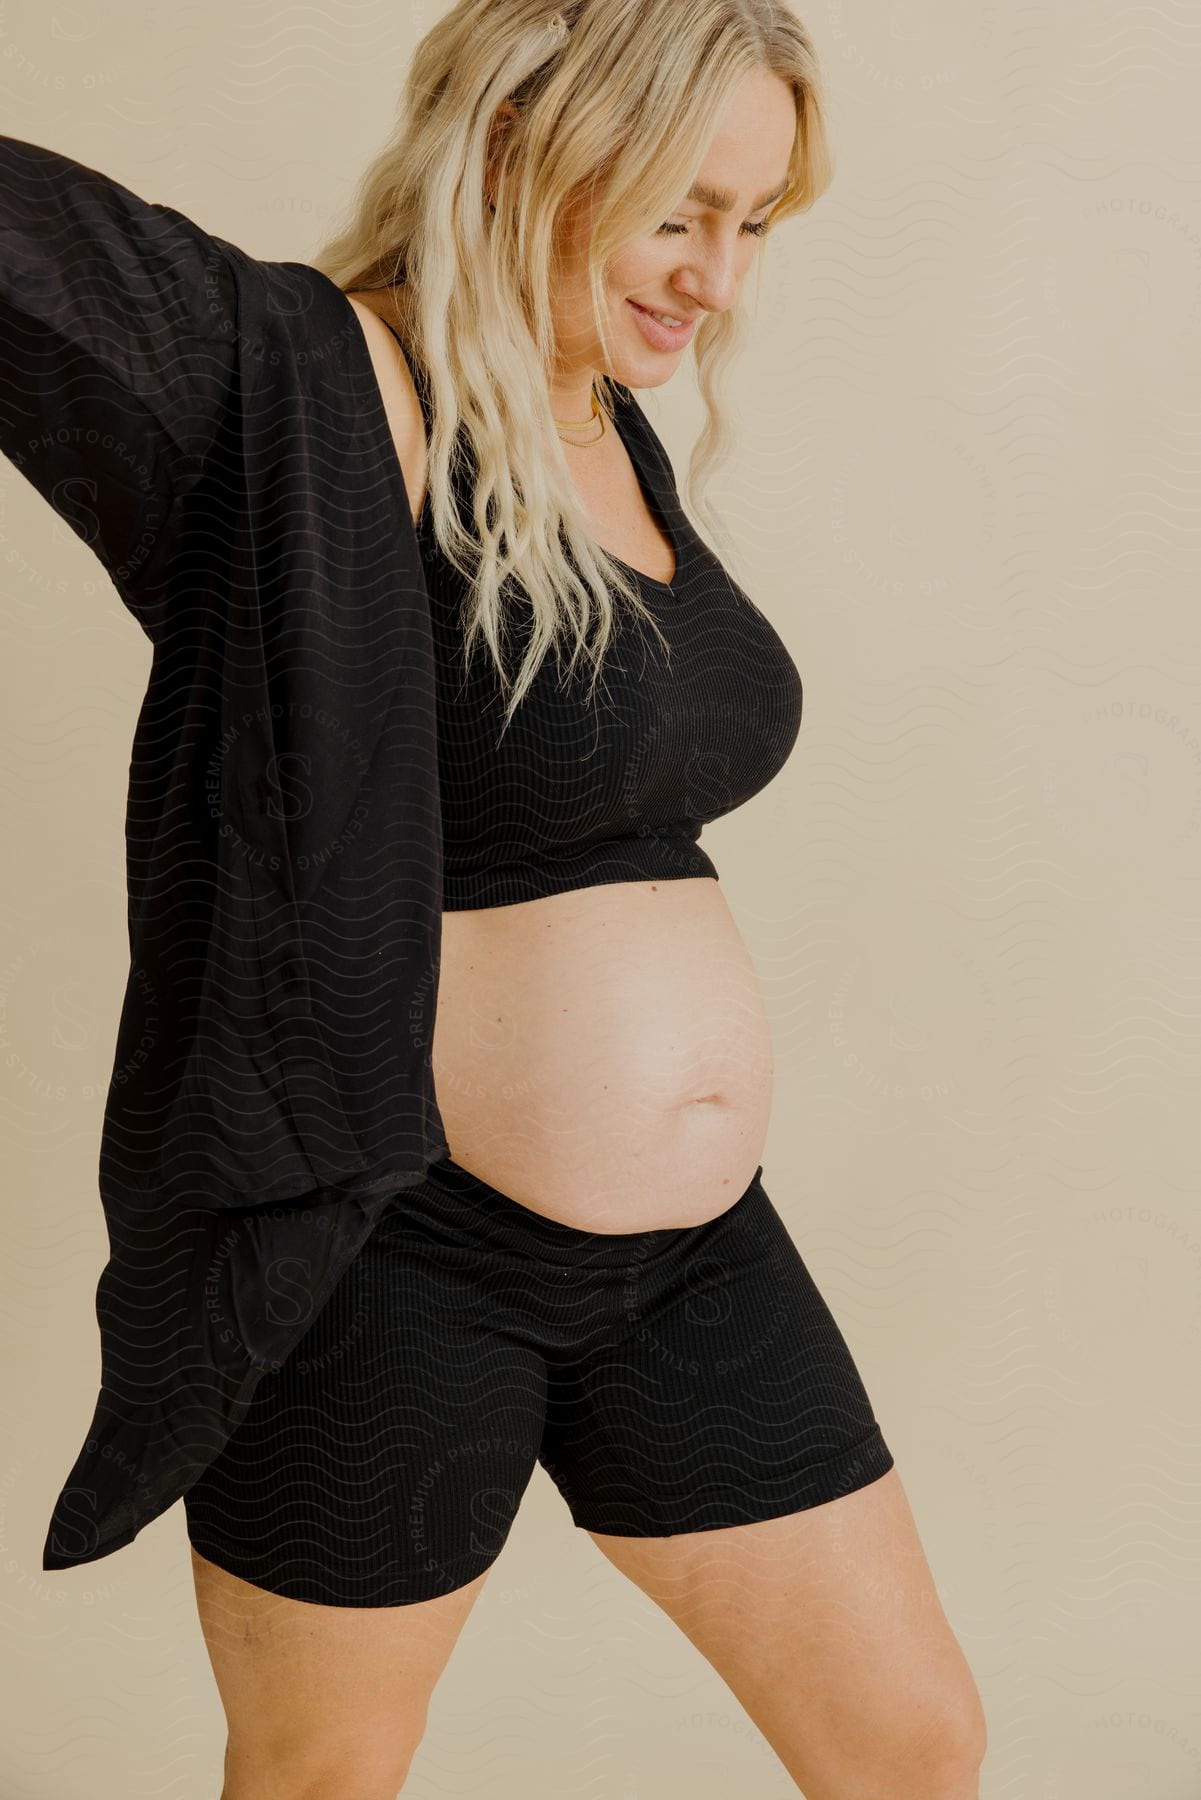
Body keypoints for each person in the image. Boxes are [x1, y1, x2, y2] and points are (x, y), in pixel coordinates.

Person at [2, 2, 987, 1796]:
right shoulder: (282, 386)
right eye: (678, 209)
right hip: (395, 1254)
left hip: (690, 1261)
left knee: (912, 1745)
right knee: (322, 1773)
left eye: (753, 224)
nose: (718, 279)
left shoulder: (605, 421)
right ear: (525, 134)